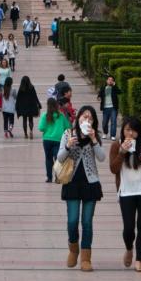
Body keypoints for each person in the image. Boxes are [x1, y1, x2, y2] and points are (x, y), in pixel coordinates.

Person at [57, 106, 106, 271]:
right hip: (71, 183)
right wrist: (68, 146)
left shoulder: (95, 137)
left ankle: (86, 258)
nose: (87, 121)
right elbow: (60, 158)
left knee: (87, 222)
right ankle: (73, 248)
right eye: (84, 117)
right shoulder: (68, 134)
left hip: (90, 184)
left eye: (90, 118)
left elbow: (101, 157)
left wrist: (93, 140)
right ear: (78, 119)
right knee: (72, 221)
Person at [110, 116, 141, 272]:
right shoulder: (116, 145)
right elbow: (113, 169)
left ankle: (139, 260)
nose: (130, 133)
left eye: (134, 130)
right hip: (126, 191)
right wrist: (122, 152)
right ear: (123, 131)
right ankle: (129, 248)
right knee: (128, 228)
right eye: (127, 130)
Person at [40, 97, 71, 182]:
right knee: (58, 158)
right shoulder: (61, 115)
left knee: (48, 158)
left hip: (47, 140)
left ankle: (49, 177)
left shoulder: (45, 115)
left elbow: (41, 128)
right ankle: (58, 177)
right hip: (58, 140)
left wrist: (48, 130)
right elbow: (67, 127)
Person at [99, 76, 120, 141]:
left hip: (113, 107)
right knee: (104, 122)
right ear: (106, 81)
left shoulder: (114, 88)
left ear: (113, 81)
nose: (110, 81)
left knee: (113, 121)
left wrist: (115, 85)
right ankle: (105, 133)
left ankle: (113, 135)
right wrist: (99, 97)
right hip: (105, 107)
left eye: (112, 80)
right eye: (109, 79)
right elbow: (99, 95)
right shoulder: (103, 88)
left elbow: (120, 92)